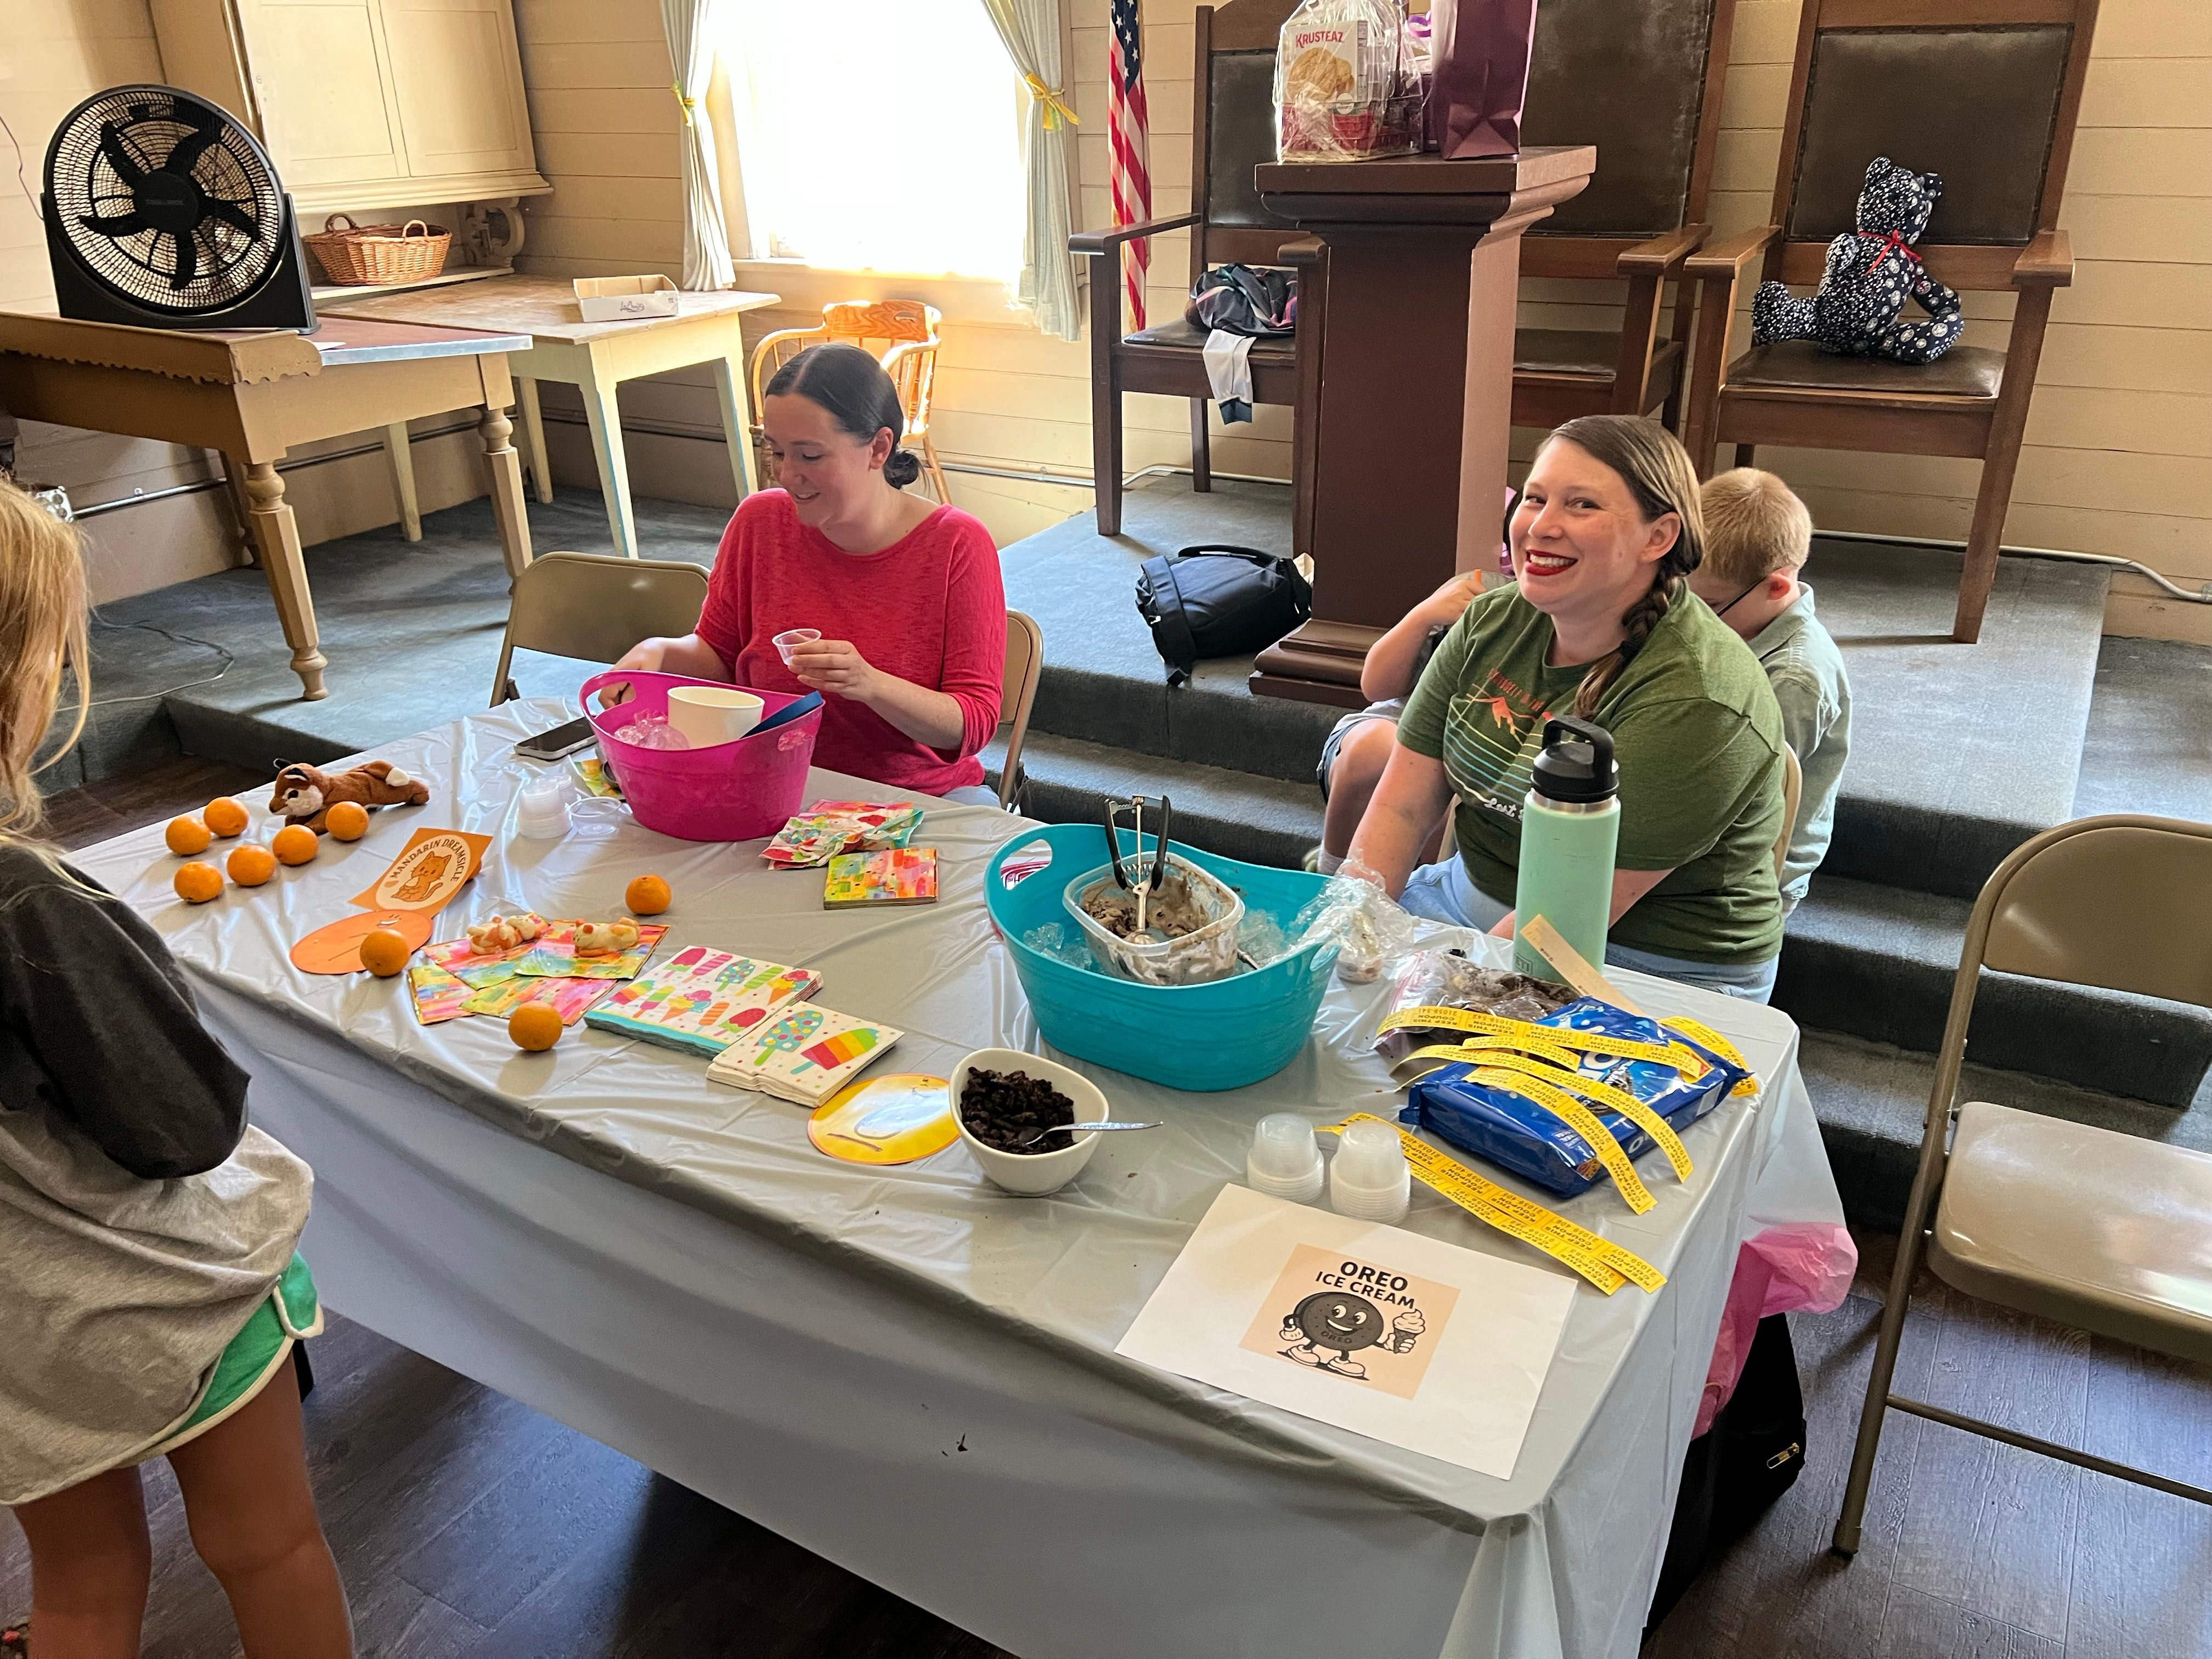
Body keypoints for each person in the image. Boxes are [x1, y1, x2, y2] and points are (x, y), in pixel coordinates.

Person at [0, 483, 352, 1656]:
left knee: (81, 1584)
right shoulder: (27, 904)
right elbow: (182, 1129)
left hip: (11, 1325)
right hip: (140, 1297)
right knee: (269, 1548)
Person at [1346, 415, 1788, 1001]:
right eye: (1534, 498)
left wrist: (1432, 998)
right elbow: (1401, 809)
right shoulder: (1490, 620)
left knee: (1419, 1071)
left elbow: (1565, 920)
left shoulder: (1701, 697)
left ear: (1658, 538)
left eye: (1581, 506)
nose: (1540, 526)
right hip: (1466, 902)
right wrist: (1353, 934)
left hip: (1650, 960)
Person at [613, 343, 1006, 804]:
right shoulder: (760, 521)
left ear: (878, 447)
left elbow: (973, 724)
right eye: (776, 452)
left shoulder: (956, 544)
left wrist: (869, 684)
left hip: (910, 798)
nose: (787, 475)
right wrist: (660, 652)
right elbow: (721, 657)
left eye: (810, 456)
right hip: (773, 778)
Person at [1685, 469, 1850, 914]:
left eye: (1709, 606)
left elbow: (1747, 810)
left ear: (1777, 586)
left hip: (1754, 878)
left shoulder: (1793, 681)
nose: (1686, 618)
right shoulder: (1732, 627)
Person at [1312, 569, 1485, 875]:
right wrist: (1423, 617)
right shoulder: (1477, 588)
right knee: (1380, 748)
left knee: (1449, 783)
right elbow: (1374, 687)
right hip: (1378, 739)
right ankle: (1329, 875)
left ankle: (1417, 896)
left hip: (1464, 770)